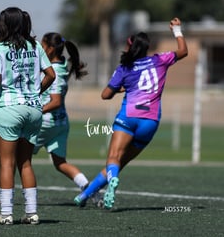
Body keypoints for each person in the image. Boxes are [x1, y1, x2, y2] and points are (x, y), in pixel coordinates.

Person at [74, 17, 188, 209]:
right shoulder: (159, 60)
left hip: (129, 117)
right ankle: (84, 195)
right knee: (119, 164)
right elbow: (184, 51)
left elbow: (105, 95)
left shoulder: (124, 68)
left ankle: (110, 184)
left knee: (113, 159)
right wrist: (177, 30)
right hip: (150, 122)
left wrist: (121, 88)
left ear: (129, 47)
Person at [0, 7, 55, 225]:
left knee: (6, 163)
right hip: (34, 109)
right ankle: (31, 213)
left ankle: (6, 213)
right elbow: (51, 75)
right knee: (26, 163)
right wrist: (35, 93)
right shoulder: (35, 46)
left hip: (10, 109)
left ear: (4, 25)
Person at [33, 32, 89, 191]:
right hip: (60, 124)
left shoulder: (55, 71)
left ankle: (6, 196)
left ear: (50, 49)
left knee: (17, 156)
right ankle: (86, 187)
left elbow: (55, 102)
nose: (40, 49)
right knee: (60, 163)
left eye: (42, 46)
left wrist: (35, 110)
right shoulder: (62, 65)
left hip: (46, 123)